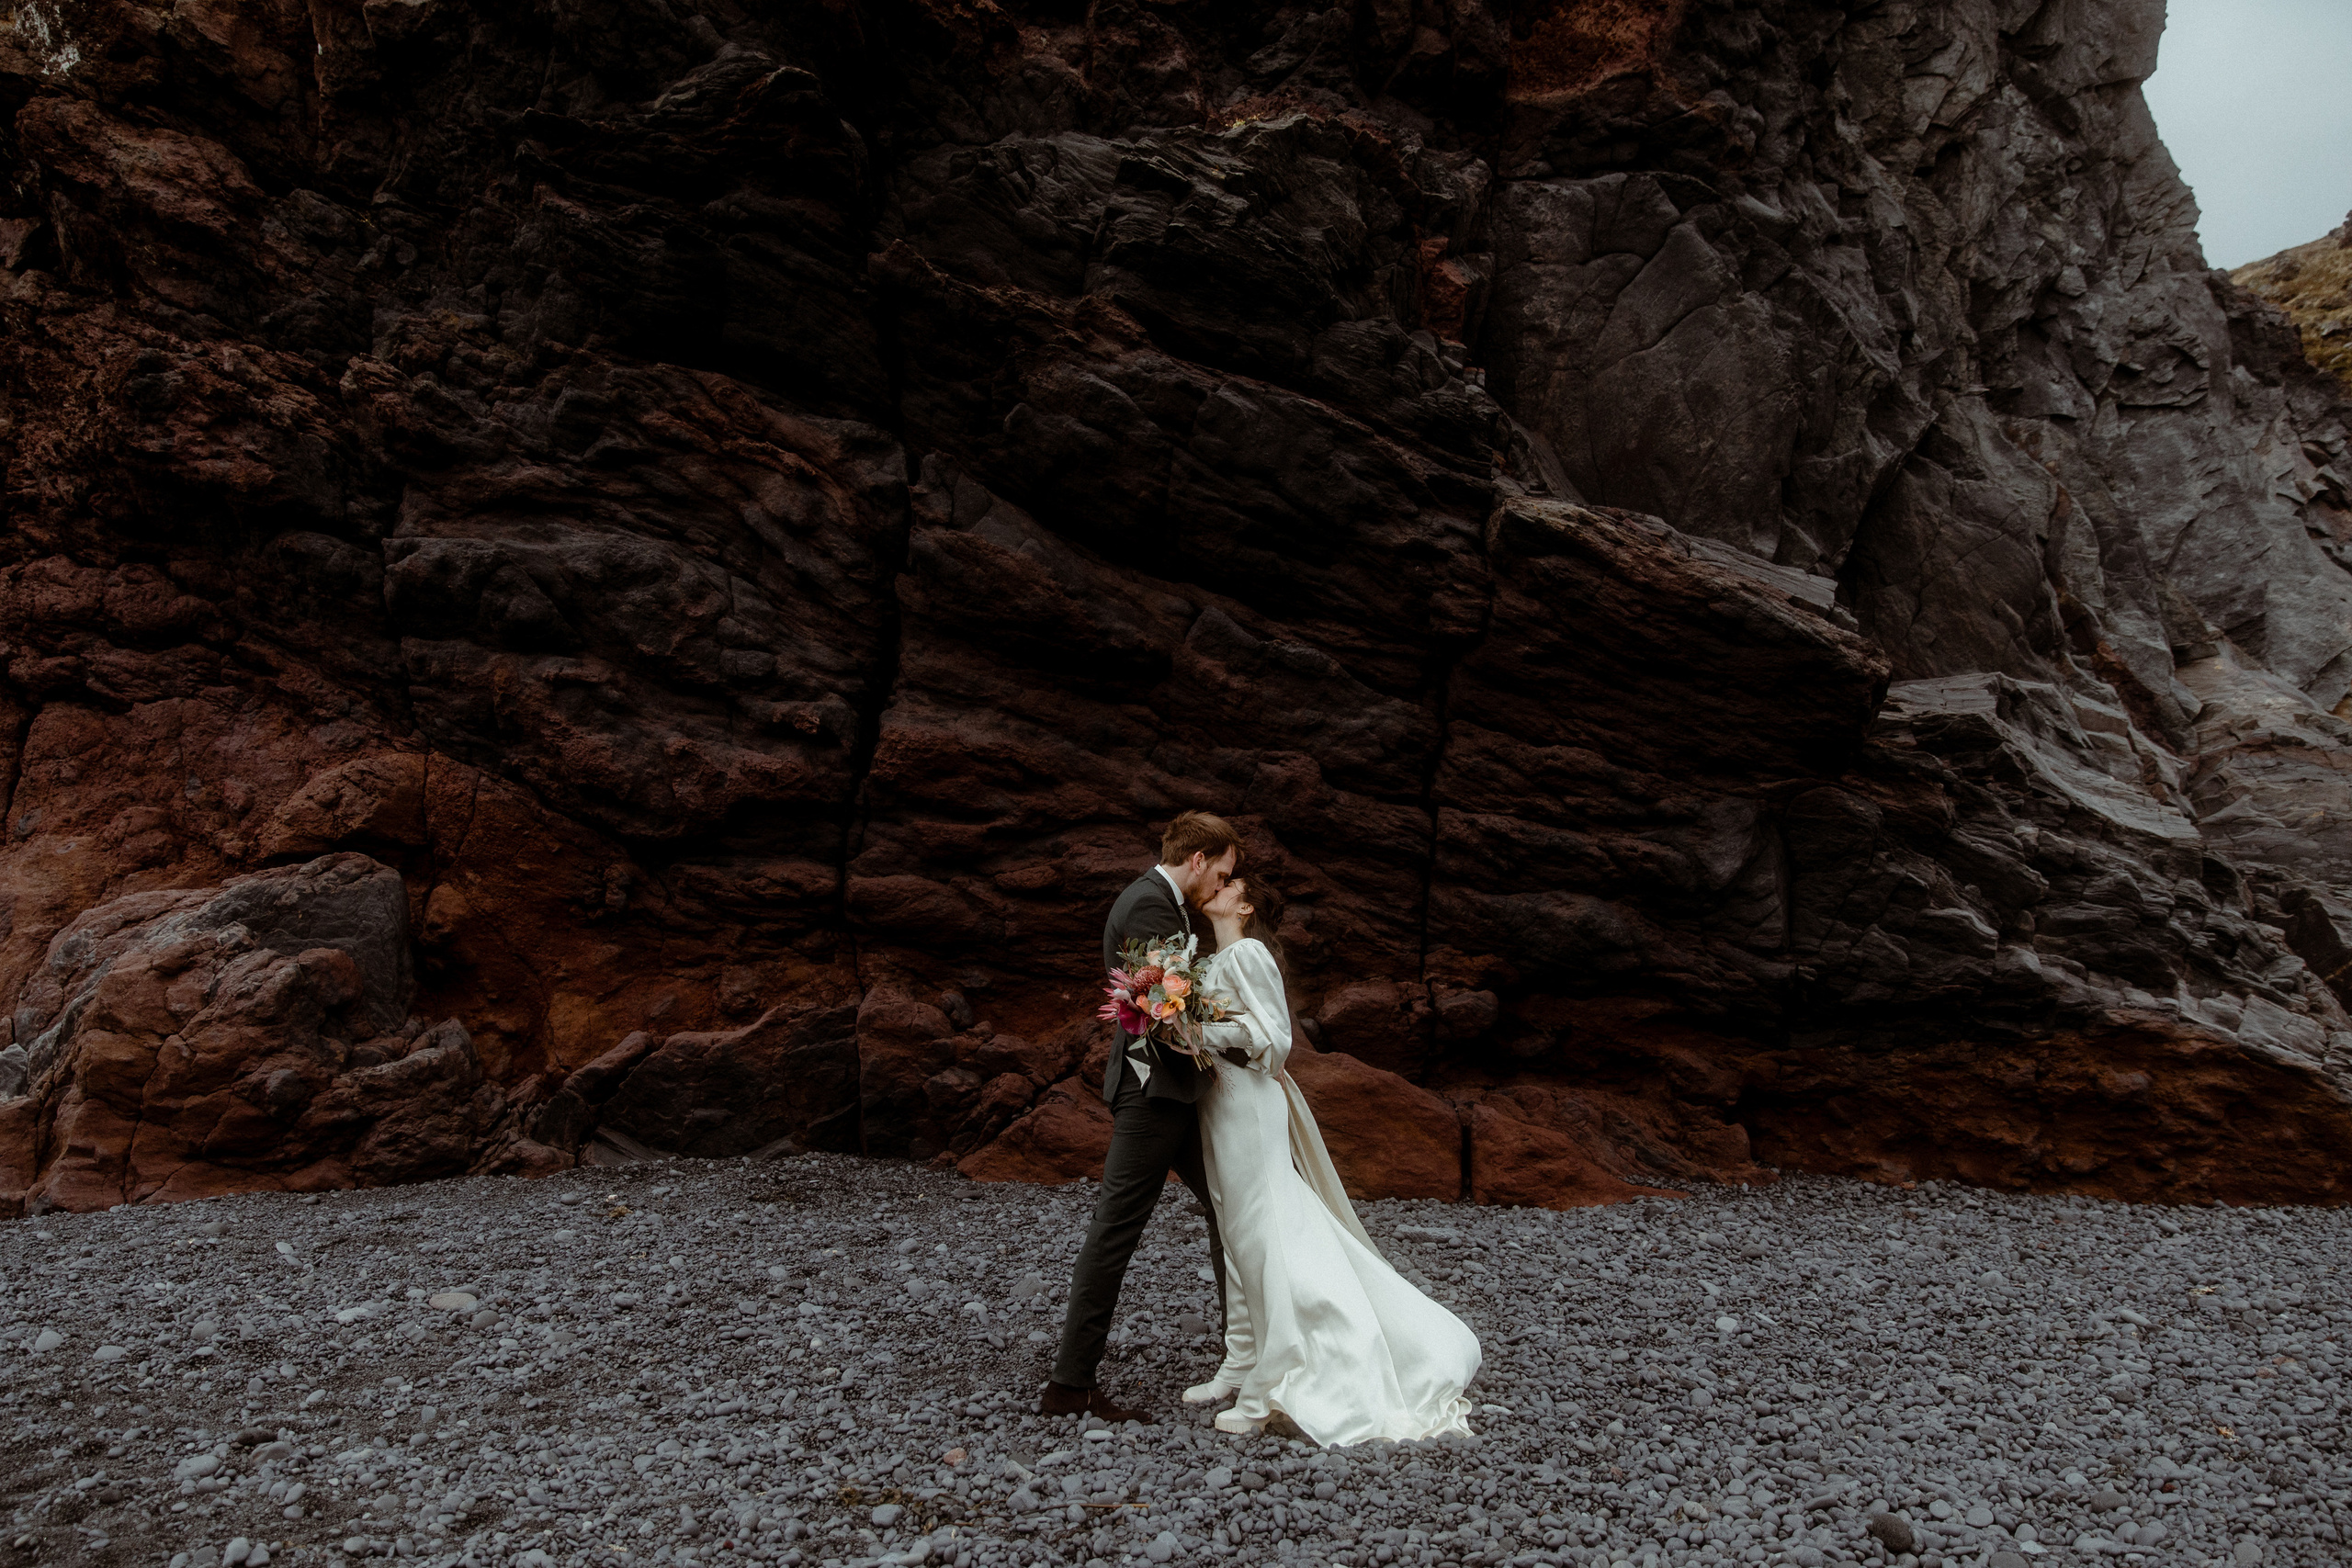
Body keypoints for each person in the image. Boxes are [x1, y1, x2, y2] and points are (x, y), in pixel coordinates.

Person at [1184, 875, 1482, 1445]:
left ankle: (1271, 1380)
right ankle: (1242, 1358)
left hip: (1247, 1100)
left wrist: (1197, 1028)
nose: (1216, 888)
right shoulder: (1206, 963)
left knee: (1262, 1228)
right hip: (1218, 1104)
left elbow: (1274, 1040)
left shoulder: (1248, 953)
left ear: (1244, 908)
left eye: (1230, 885)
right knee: (1237, 1229)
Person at [1038, 810, 1244, 1423]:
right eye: (1224, 872)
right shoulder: (1151, 905)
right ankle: (1070, 1384)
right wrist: (1244, 1035)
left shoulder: (1166, 902)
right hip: (1152, 1094)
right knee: (1115, 1231)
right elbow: (1170, 1010)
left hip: (1175, 1092)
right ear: (1200, 859)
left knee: (1231, 1208)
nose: (1223, 886)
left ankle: (1246, 1348)